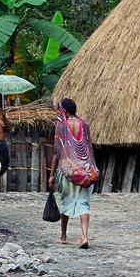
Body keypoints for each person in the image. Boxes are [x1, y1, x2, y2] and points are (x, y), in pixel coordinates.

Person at [47, 98, 96, 249]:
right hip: (86, 171)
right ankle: (84, 236)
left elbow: (57, 152)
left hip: (68, 171)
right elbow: (88, 148)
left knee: (67, 201)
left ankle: (63, 236)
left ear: (64, 111)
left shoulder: (62, 125)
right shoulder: (84, 124)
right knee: (83, 203)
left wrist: (52, 174)